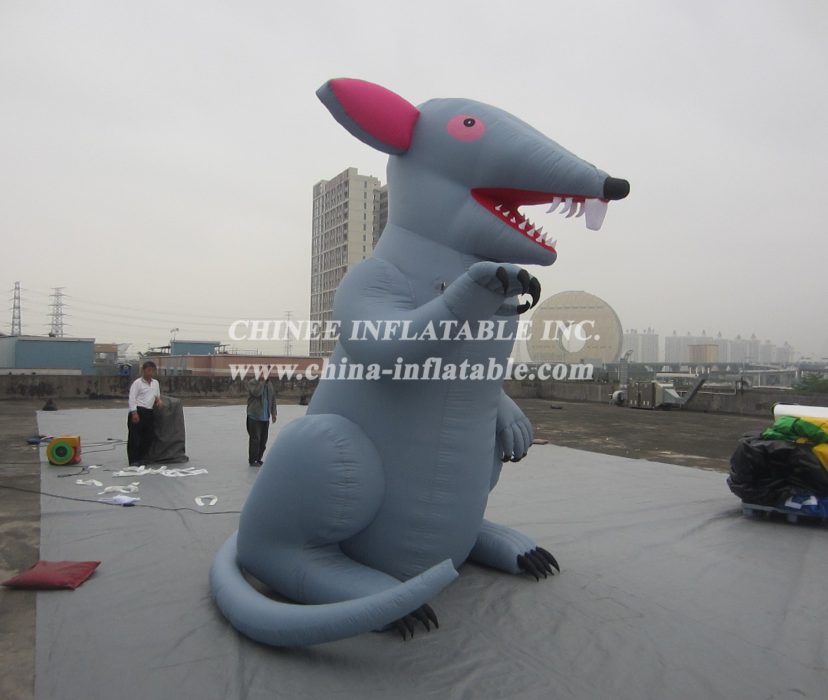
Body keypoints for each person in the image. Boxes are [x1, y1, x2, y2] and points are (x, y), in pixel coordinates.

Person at [127, 361, 162, 466]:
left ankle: (142, 458)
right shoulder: (137, 383)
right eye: (148, 370)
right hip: (138, 410)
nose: (150, 373)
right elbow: (132, 398)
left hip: (149, 411)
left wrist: (158, 400)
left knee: (148, 436)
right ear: (143, 371)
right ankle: (133, 460)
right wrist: (134, 413)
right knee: (135, 437)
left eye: (152, 371)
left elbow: (156, 395)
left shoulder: (155, 383)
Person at [246, 374, 277, 466]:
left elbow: (273, 399)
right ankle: (253, 460)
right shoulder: (253, 382)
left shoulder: (269, 384)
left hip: (265, 417)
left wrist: (273, 413)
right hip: (254, 416)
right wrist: (262, 382)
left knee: (263, 441)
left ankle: (259, 458)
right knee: (255, 440)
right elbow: (257, 393)